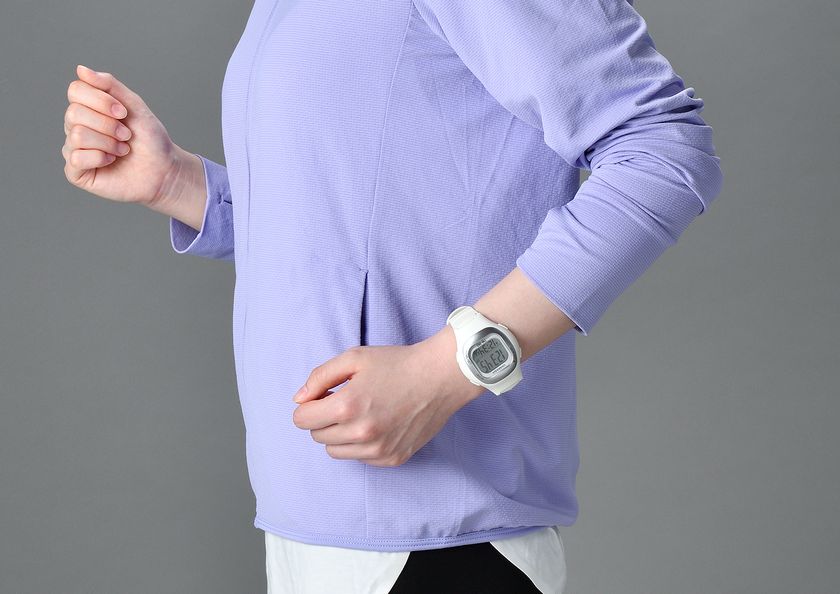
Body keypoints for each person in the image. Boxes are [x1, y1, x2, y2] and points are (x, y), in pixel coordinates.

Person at [61, 0, 723, 591]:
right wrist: (178, 184)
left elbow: (663, 150)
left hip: (439, 543)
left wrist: (449, 368)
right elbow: (346, 229)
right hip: (308, 537)